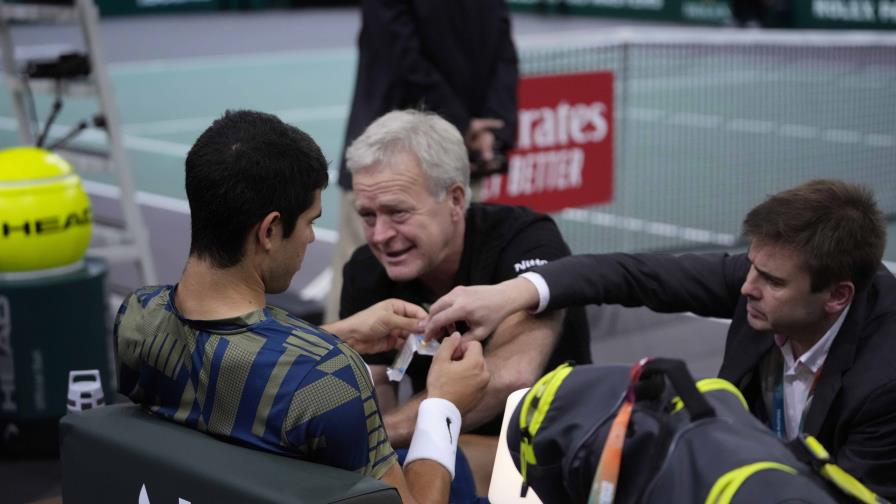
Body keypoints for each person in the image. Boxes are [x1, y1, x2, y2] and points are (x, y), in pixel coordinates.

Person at [424, 179, 896, 498]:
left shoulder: (884, 384)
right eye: (750, 265)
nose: (747, 286)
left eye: (771, 281)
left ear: (837, 296)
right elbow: (631, 273)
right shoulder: (761, 283)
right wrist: (511, 294)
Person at [114, 110, 490, 504]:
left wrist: (341, 334)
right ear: (270, 230)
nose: (311, 237)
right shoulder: (328, 381)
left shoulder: (138, 320)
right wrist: (441, 404)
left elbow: (223, 356)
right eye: (310, 221)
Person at [338, 110, 591, 473]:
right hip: (454, 452)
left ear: (456, 199)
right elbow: (377, 385)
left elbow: (512, 374)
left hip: (559, 452)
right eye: (368, 215)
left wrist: (376, 435)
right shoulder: (366, 269)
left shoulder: (525, 240)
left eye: (398, 213)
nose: (380, 236)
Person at [323, 0, 519, 323]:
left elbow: (398, 46)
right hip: (433, 150)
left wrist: (479, 128)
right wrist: (486, 127)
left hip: (452, 151)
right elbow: (502, 48)